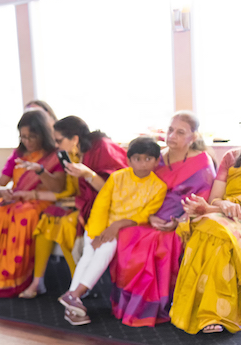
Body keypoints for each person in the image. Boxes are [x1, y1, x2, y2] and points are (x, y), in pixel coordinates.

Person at [111, 111, 215, 327]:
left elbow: (203, 201)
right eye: (170, 130)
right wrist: (148, 216)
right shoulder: (154, 157)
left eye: (180, 132)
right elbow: (134, 189)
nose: (172, 135)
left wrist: (178, 221)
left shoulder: (202, 163)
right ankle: (131, 306)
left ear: (193, 137)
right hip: (147, 216)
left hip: (183, 221)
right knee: (127, 235)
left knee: (163, 243)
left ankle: (156, 307)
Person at [59, 136, 167, 325]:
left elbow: (144, 215)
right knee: (88, 254)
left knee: (105, 250)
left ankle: (74, 295)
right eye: (138, 159)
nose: (143, 163)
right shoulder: (118, 177)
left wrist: (116, 226)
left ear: (157, 161)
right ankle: (73, 300)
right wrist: (97, 233)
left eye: (149, 159)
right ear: (128, 160)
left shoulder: (159, 187)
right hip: (98, 226)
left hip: (124, 230)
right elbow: (101, 205)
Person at [0, 109, 65, 297]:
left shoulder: (54, 156)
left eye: (31, 137)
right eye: (22, 137)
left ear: (42, 134)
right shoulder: (18, 154)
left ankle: (7, 280)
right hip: (15, 201)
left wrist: (41, 171)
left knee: (22, 216)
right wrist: (0, 191)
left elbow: (58, 187)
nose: (26, 141)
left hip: (39, 202)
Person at [20, 116, 127, 298]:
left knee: (66, 223)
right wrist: (43, 175)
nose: (57, 145)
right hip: (85, 203)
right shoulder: (70, 154)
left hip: (113, 208)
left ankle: (78, 288)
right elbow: (70, 189)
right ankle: (39, 282)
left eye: (59, 140)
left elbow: (117, 191)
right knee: (49, 217)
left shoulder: (103, 146)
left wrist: (89, 175)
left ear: (75, 139)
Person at [172, 148, 241, 333]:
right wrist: (223, 204)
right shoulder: (231, 157)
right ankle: (204, 309)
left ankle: (214, 312)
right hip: (225, 215)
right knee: (208, 228)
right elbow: (215, 199)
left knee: (220, 236)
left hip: (233, 219)